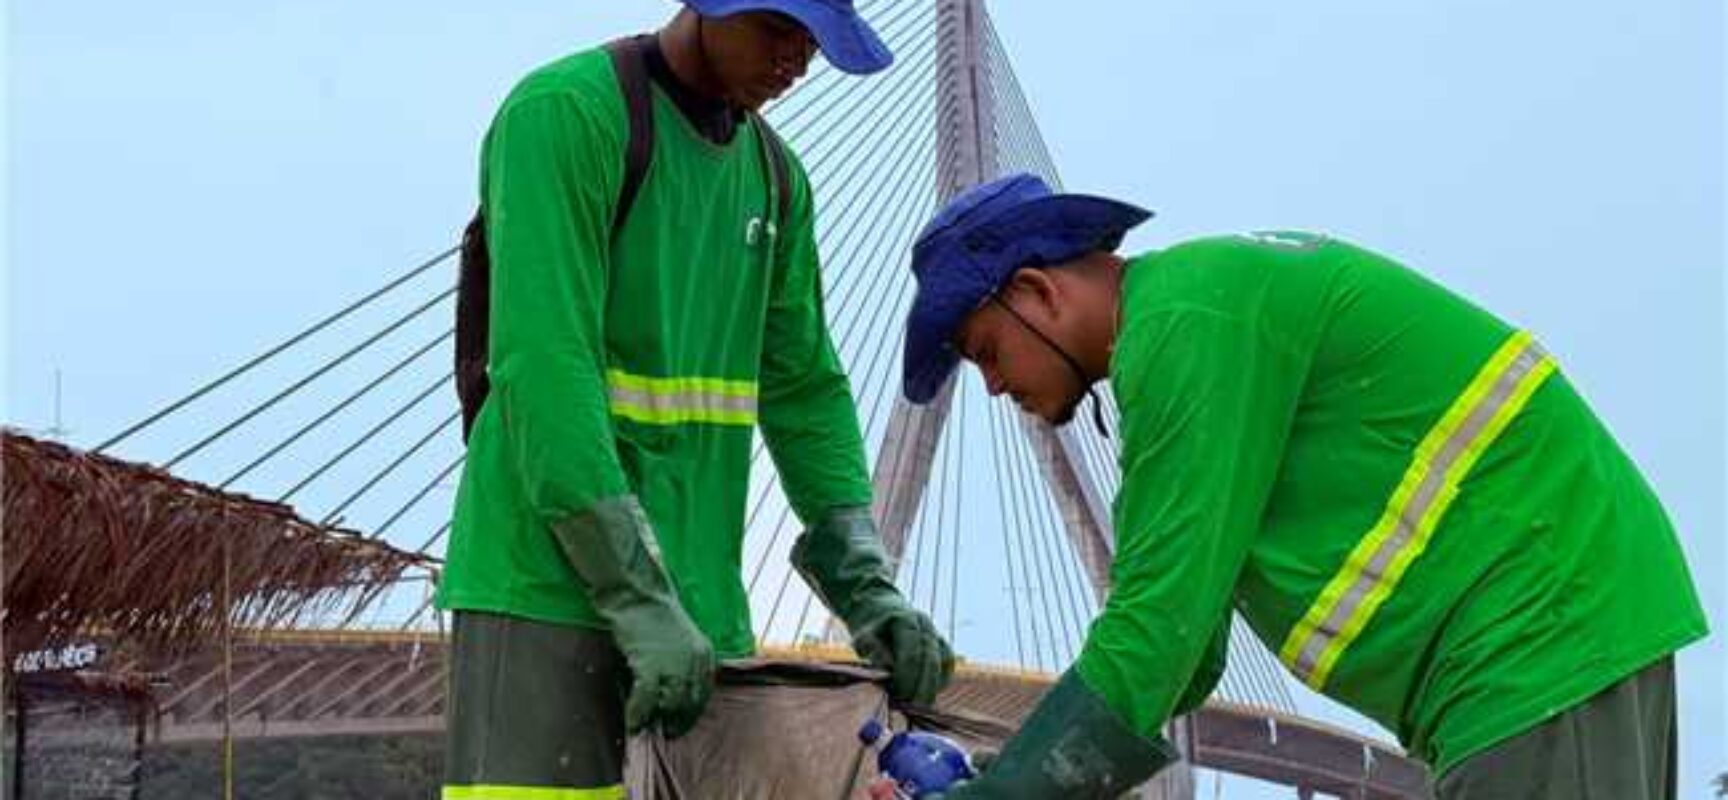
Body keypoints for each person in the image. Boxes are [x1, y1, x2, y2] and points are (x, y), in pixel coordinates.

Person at [895, 172, 1706, 799]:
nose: (993, 386)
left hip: (1534, 635)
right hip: (1559, 623)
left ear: (1037, 292)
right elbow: (1185, 654)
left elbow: (1157, 633)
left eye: (986, 351)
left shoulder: (1186, 330)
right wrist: (1007, 776)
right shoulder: (1197, 315)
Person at [436, 3, 954, 797]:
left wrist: (865, 581)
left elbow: (806, 389)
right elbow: (545, 367)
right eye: (779, 29)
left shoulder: (776, 180)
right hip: (543, 590)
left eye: (814, 41)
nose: (797, 60)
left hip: (700, 615)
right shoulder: (567, 116)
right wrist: (636, 596)